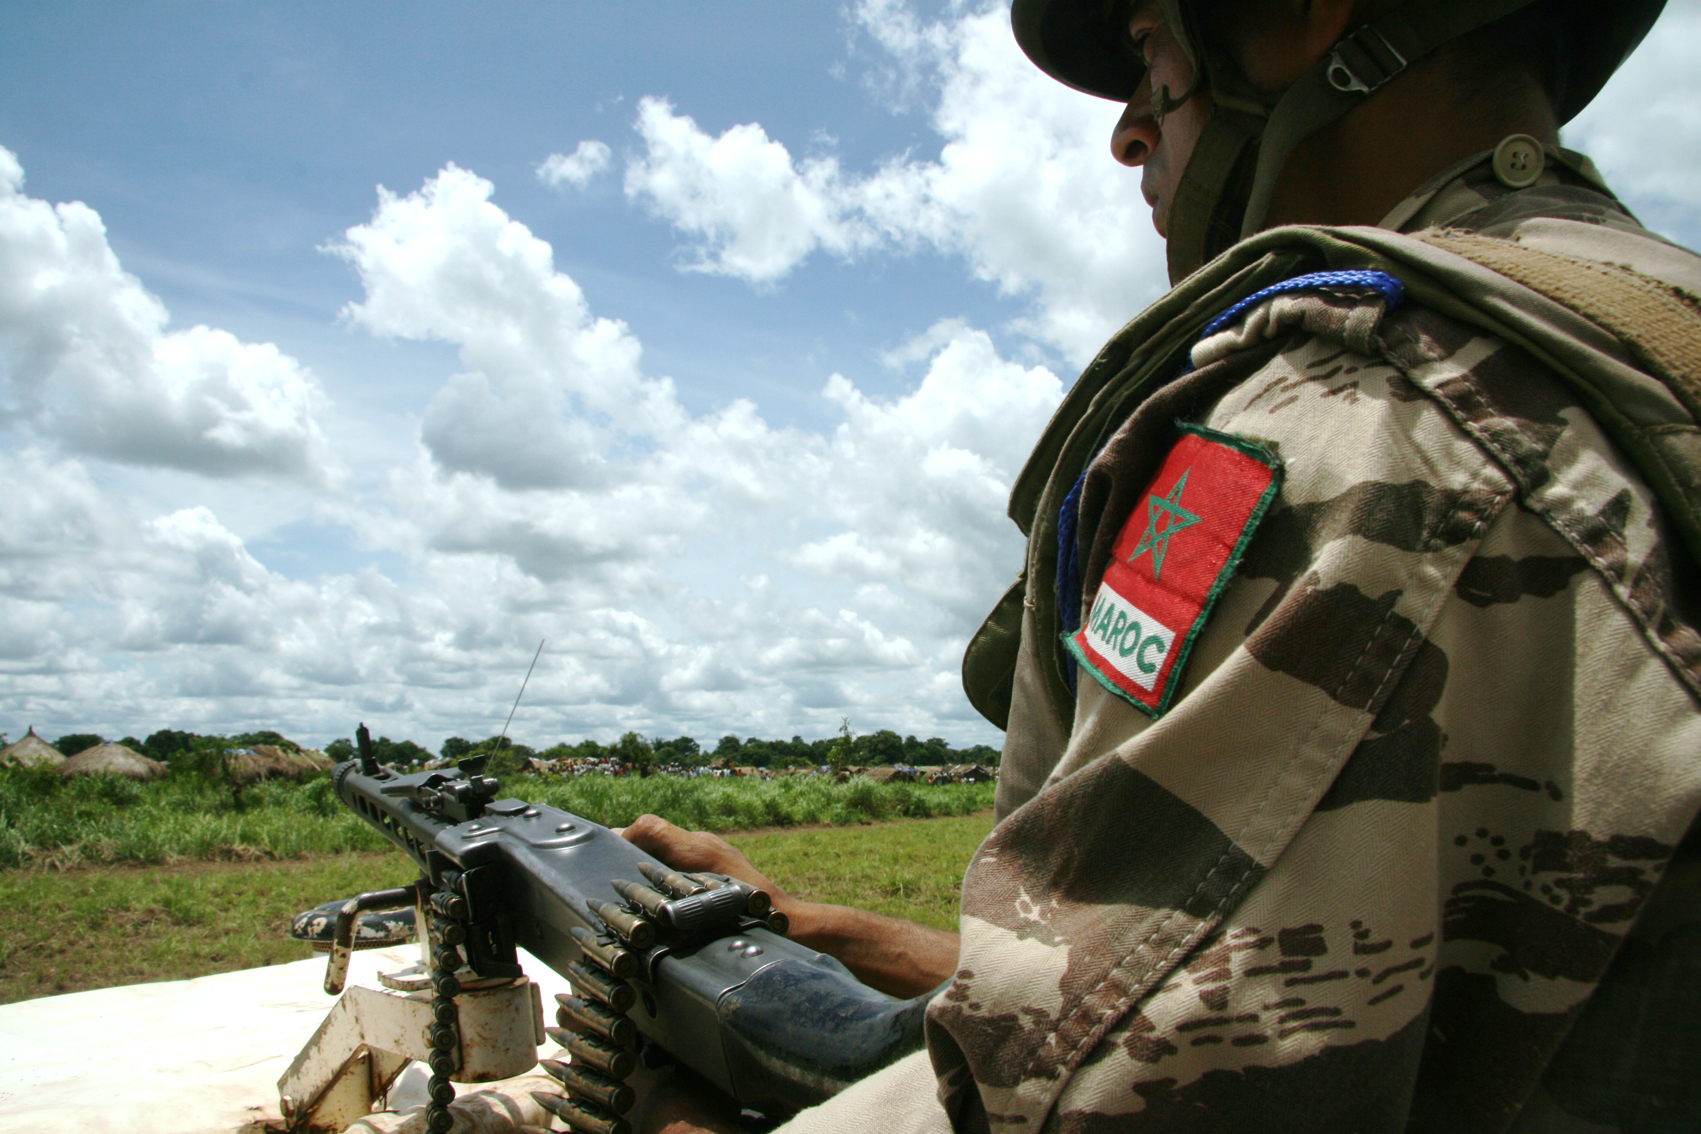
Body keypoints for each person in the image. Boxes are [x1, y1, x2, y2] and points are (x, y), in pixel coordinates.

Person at [610, 1, 1701, 1130]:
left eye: (1146, 49)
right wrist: (813, 926)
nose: (1131, 133)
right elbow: (1191, 988)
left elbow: (1083, 1096)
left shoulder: (1366, 414)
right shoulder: (1637, 334)